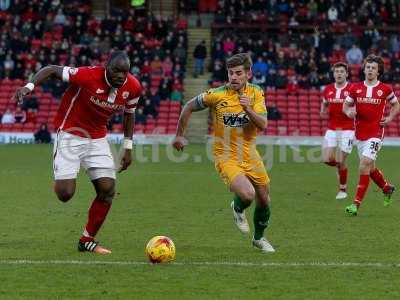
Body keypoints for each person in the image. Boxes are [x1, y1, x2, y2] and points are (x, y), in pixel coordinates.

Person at [14, 51, 142, 253]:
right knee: (65, 194)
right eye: (117, 71)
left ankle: (87, 240)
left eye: (124, 72)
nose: (120, 76)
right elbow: (50, 70)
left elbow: (129, 114)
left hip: (97, 138)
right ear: (106, 67)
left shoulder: (133, 87)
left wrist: (127, 147)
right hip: (70, 133)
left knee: (108, 190)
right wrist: (28, 86)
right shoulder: (88, 75)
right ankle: (63, 176)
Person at [173, 53, 275, 253]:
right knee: (247, 195)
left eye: (238, 73)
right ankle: (237, 208)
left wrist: (248, 110)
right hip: (225, 155)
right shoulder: (217, 94)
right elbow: (188, 106)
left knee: (264, 199)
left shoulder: (256, 93)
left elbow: (263, 124)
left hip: (250, 154)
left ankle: (259, 239)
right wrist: (179, 136)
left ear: (248, 74)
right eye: (231, 73)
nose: (234, 77)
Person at [343, 54, 399, 216]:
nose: (370, 70)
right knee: (370, 167)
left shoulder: (385, 89)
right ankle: (387, 188)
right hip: (360, 134)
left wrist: (389, 118)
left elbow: (396, 105)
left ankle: (355, 204)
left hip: (376, 132)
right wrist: (349, 112)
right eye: (368, 67)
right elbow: (345, 107)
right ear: (364, 69)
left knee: (364, 163)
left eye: (373, 68)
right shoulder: (355, 88)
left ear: (378, 71)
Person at [320, 62, 354, 200]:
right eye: (336, 71)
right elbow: (325, 102)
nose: (339, 74)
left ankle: (343, 190)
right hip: (332, 128)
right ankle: (341, 168)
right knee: (326, 159)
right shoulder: (328, 89)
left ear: (346, 74)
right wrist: (323, 109)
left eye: (341, 71)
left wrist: (354, 111)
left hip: (348, 129)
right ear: (333, 74)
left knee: (340, 160)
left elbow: (359, 105)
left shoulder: (352, 89)